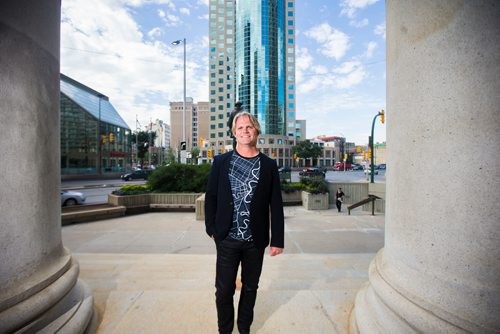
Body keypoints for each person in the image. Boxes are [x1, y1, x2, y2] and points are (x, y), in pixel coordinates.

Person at [205, 111, 284, 334]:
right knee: (223, 290)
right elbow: (211, 196)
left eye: (249, 127)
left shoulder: (268, 165)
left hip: (254, 240)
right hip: (227, 237)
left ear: (256, 131)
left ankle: (244, 329)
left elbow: (275, 204)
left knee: (250, 288)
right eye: (240, 128)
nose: (245, 131)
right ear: (234, 133)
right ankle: (225, 331)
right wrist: (211, 228)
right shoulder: (221, 162)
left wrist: (277, 239)